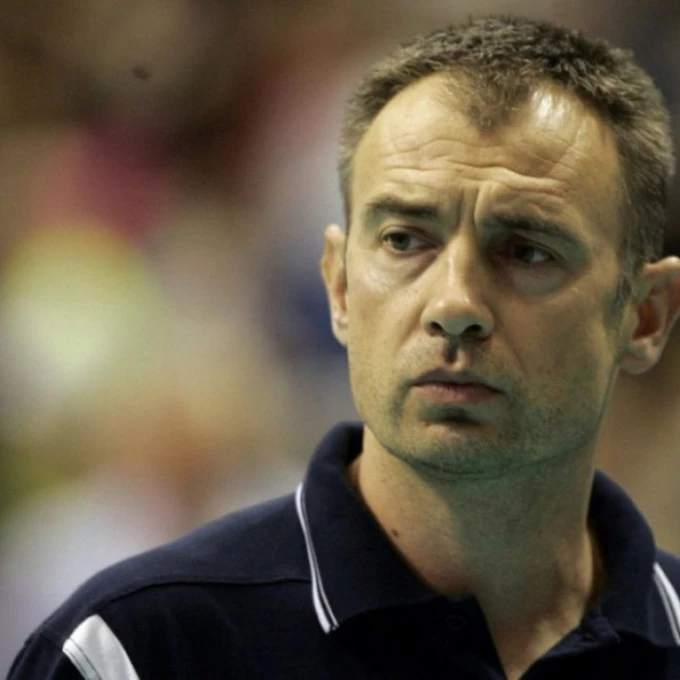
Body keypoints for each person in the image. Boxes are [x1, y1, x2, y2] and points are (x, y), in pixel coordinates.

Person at [8, 15, 680, 680]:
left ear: (646, 315)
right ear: (339, 288)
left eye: (527, 251)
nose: (454, 305)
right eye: (404, 240)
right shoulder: (135, 653)